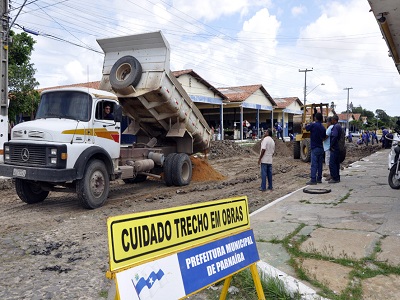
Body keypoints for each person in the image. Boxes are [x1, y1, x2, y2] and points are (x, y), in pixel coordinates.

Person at [305, 112, 326, 185]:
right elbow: (324, 137)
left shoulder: (313, 125)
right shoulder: (323, 127)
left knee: (314, 164)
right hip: (321, 147)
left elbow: (307, 128)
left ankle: (313, 179)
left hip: (314, 147)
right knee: (320, 164)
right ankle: (319, 178)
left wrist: (306, 124)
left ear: (315, 118)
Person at [329, 114, 343, 183]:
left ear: (334, 120)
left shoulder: (335, 127)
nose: (331, 120)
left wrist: (331, 145)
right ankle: (337, 177)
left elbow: (334, 136)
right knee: (336, 163)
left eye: (331, 119)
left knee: (332, 163)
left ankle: (334, 178)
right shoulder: (339, 126)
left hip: (335, 147)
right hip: (338, 147)